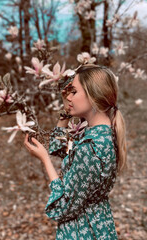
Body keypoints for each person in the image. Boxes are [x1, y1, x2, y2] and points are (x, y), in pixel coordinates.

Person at [24, 64, 127, 239]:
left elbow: (63, 208)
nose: (69, 97)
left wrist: (44, 160)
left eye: (74, 92)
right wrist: (66, 112)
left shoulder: (91, 146)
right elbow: (61, 150)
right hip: (99, 223)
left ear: (93, 96)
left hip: (82, 229)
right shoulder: (101, 134)